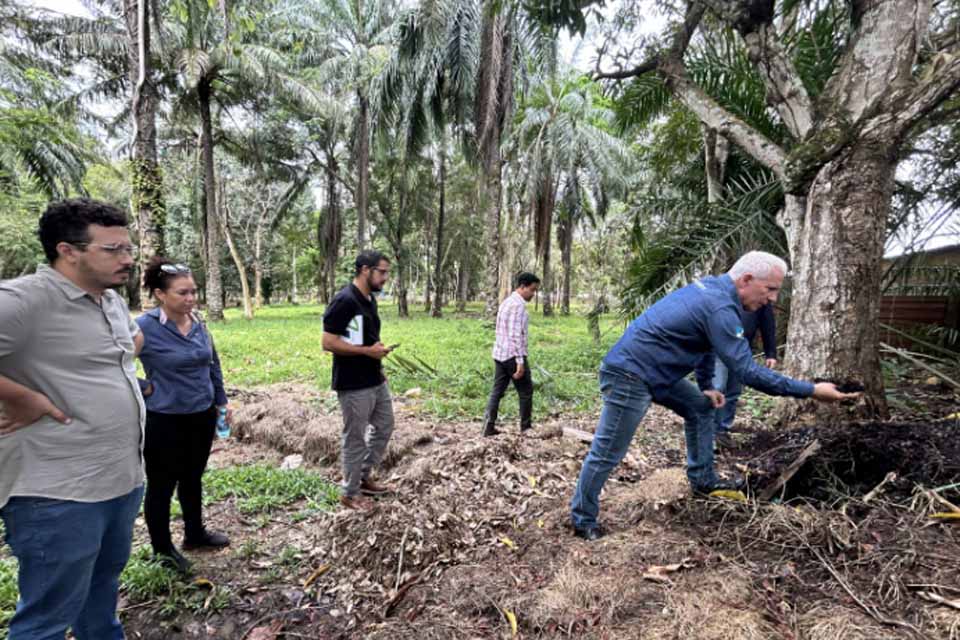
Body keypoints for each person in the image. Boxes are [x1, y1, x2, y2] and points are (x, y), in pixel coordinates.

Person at [569, 251, 859, 541]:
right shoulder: (720, 306)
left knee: (701, 407)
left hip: (658, 374)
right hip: (630, 376)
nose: (772, 299)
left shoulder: (714, 291)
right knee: (608, 451)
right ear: (746, 279)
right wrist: (811, 391)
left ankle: (703, 480)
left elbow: (705, 344)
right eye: (770, 289)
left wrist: (707, 384)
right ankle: (583, 519)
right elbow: (746, 371)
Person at [0, 199, 145, 639]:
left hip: (119, 480)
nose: (128, 258)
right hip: (56, 492)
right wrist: (21, 397)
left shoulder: (111, 301)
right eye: (114, 249)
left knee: (101, 595)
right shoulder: (25, 300)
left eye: (128, 247)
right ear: (68, 251)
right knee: (46, 618)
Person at [135, 257, 231, 573]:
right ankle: (162, 549)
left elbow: (212, 363)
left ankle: (195, 533)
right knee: (162, 484)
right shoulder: (144, 327)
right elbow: (109, 364)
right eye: (182, 293)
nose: (190, 298)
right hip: (164, 419)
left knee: (193, 477)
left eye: (193, 291)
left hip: (201, 415)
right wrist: (144, 387)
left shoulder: (198, 322)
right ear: (161, 295)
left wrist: (221, 402)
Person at [321, 251, 396, 512]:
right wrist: (367, 353)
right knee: (355, 438)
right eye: (382, 272)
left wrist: (377, 361)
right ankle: (350, 493)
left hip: (374, 377)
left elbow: (364, 337)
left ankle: (363, 476)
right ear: (366, 270)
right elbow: (328, 342)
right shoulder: (344, 300)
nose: (386, 278)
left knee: (385, 425)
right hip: (353, 384)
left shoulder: (368, 299)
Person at [712, 302, 778, 449]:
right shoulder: (727, 289)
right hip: (718, 345)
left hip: (742, 348)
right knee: (717, 386)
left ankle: (722, 431)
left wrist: (771, 353)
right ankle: (708, 432)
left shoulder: (761, 294)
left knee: (733, 391)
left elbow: (767, 323)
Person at [483, 272, 541, 436]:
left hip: (500, 353)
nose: (533, 294)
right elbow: (516, 335)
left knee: (497, 391)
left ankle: (488, 426)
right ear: (522, 286)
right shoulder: (518, 306)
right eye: (532, 290)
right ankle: (526, 428)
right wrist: (520, 361)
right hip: (512, 356)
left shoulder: (506, 302)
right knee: (526, 391)